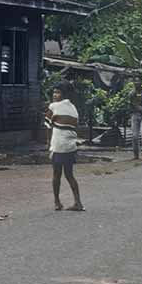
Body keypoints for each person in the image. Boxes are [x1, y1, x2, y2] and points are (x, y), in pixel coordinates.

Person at [44, 81, 84, 211]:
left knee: (56, 174)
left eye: (58, 92)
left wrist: (48, 143)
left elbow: (48, 126)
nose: (55, 95)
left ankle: (57, 202)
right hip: (70, 145)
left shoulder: (54, 106)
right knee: (69, 175)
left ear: (64, 94)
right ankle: (78, 202)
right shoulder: (74, 108)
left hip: (58, 145)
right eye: (54, 92)